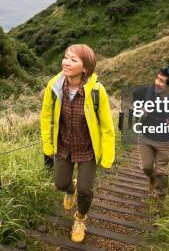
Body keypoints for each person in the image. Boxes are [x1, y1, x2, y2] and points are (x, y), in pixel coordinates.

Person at [40, 44, 115, 243]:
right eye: (66, 57)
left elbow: (107, 127)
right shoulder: (54, 86)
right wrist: (47, 146)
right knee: (60, 184)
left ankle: (80, 218)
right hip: (64, 146)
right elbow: (46, 116)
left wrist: (107, 157)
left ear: (85, 68)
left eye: (73, 59)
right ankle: (70, 188)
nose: (66, 62)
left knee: (85, 190)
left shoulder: (97, 91)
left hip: (88, 149)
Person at [133, 65, 169, 201]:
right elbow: (135, 95)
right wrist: (140, 108)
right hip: (146, 137)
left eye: (162, 81)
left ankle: (161, 197)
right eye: (157, 78)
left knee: (161, 171)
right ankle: (152, 178)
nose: (157, 82)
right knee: (146, 168)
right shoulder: (148, 90)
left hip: (165, 141)